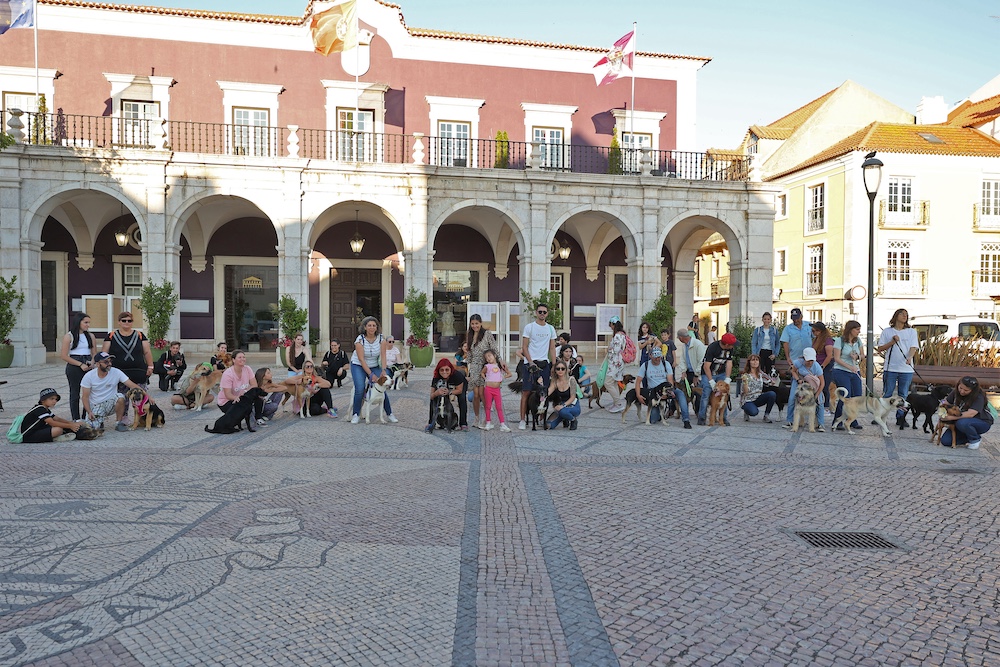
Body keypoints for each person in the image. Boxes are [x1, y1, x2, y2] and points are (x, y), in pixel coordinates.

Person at [81, 351, 148, 431]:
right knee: (91, 429)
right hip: (96, 405)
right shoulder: (89, 376)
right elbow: (85, 397)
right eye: (106, 362)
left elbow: (132, 385)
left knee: (120, 396)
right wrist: (89, 412)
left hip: (111, 403)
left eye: (110, 361)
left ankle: (118, 423)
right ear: (98, 364)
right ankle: (98, 420)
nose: (109, 364)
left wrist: (147, 396)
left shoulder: (116, 372)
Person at [349, 316, 397, 424]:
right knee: (360, 387)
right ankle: (356, 414)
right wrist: (371, 375)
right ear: (365, 327)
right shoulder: (360, 340)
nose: (371, 328)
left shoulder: (381, 339)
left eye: (374, 325)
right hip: (358, 365)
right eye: (369, 325)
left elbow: (383, 356)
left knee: (382, 386)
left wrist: (383, 370)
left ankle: (389, 413)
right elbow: (361, 359)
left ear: (377, 327)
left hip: (374, 364)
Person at [519, 303, 557, 429]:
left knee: (543, 392)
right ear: (536, 312)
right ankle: (523, 419)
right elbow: (524, 346)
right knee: (526, 391)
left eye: (544, 312)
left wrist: (554, 364)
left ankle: (541, 417)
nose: (542, 314)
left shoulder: (550, 329)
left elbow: (552, 347)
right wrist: (530, 362)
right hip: (530, 363)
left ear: (547, 314)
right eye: (540, 311)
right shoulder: (529, 327)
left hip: (544, 363)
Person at [636, 346, 692, 428]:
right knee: (653, 420)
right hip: (654, 392)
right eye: (655, 357)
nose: (658, 359)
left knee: (681, 394)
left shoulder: (666, 364)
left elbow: (670, 381)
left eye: (659, 357)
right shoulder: (645, 365)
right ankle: (659, 413)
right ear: (650, 356)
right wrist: (638, 395)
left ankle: (686, 420)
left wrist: (668, 393)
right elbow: (638, 382)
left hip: (667, 389)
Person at [466, 314, 503, 428]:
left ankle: (487, 420)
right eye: (472, 323)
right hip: (475, 367)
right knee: (475, 395)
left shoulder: (487, 334)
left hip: (486, 366)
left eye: (476, 323)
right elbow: (469, 353)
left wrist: (500, 361)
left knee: (483, 393)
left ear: (480, 323)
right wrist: (469, 371)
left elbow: (494, 348)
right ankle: (477, 418)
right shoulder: (470, 335)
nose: (474, 326)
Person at [59, 312, 96, 421]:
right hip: (74, 364)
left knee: (88, 392)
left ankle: (87, 416)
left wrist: (92, 362)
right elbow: (64, 356)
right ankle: (76, 418)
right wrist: (80, 364)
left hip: (88, 362)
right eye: (85, 322)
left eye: (89, 323)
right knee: (75, 392)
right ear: (78, 322)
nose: (87, 325)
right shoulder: (69, 336)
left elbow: (94, 353)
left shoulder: (91, 336)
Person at [939, 376, 993, 449]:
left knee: (962, 423)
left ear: (972, 390)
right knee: (946, 441)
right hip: (961, 422)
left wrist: (950, 417)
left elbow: (971, 414)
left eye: (966, 390)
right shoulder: (956, 392)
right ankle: (967, 436)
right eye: (960, 388)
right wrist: (942, 410)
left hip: (981, 421)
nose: (962, 391)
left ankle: (975, 439)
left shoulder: (979, 396)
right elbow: (946, 403)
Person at [830, 320, 865, 431]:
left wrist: (857, 356)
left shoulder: (858, 341)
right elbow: (836, 358)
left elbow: (863, 355)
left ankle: (852, 420)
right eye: (857, 329)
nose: (859, 332)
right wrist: (849, 367)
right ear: (850, 330)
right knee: (846, 394)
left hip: (855, 370)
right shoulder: (839, 341)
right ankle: (837, 420)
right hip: (841, 370)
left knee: (857, 395)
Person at [102, 312, 153, 387]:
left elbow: (147, 352)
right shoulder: (111, 336)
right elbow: (104, 353)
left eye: (129, 321)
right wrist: (105, 367)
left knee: (139, 395)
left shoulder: (140, 335)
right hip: (118, 371)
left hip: (138, 370)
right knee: (119, 397)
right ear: (119, 322)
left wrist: (150, 366)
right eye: (124, 320)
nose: (127, 322)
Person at [877, 308, 919, 399]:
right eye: (902, 314)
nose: (905, 316)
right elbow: (880, 348)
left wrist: (910, 357)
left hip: (906, 369)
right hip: (890, 368)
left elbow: (913, 346)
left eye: (906, 314)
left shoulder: (911, 331)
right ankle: (884, 413)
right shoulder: (887, 331)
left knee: (903, 395)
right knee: (887, 394)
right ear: (896, 316)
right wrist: (892, 342)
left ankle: (900, 413)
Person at [780, 308, 811, 427]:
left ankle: (814, 420)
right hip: (796, 362)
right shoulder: (788, 328)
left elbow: (819, 335)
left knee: (810, 393)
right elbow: (785, 343)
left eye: (797, 318)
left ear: (801, 316)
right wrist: (788, 358)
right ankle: (789, 419)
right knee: (794, 394)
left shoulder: (809, 325)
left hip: (809, 362)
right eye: (793, 318)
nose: (796, 321)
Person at [17, 388, 84, 443]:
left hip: (38, 429)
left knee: (61, 425)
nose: (54, 401)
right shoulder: (40, 409)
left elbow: (57, 419)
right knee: (58, 429)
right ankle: (55, 438)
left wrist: (72, 423)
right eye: (51, 399)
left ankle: (58, 435)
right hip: (29, 436)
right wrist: (70, 426)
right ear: (43, 400)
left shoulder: (45, 409)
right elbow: (52, 422)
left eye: (55, 399)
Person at [698, 331, 736, 426]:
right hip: (708, 373)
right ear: (727, 344)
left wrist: (727, 378)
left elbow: (729, 363)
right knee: (706, 394)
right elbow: (706, 366)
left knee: (725, 394)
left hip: (721, 373)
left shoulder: (730, 349)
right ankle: (702, 417)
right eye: (732, 344)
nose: (733, 346)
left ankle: (723, 418)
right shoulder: (712, 348)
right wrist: (711, 381)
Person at [786, 347, 826, 431]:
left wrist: (817, 395)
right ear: (804, 358)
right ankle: (789, 420)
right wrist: (798, 380)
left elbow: (822, 383)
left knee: (820, 402)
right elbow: (793, 371)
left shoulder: (817, 367)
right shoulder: (798, 362)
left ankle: (821, 424)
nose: (810, 362)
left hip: (812, 385)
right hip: (799, 381)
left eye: (812, 360)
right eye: (808, 360)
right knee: (792, 398)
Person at [217, 350, 258, 430]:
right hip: (226, 401)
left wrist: (245, 392)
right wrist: (237, 398)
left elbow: (254, 385)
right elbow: (227, 394)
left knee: (256, 399)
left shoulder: (248, 369)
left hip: (241, 397)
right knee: (239, 410)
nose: (242, 359)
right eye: (239, 357)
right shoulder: (228, 374)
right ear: (233, 360)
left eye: (244, 357)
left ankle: (258, 418)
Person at [425, 358, 469, 432]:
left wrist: (449, 392)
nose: (444, 372)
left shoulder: (457, 375)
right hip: (444, 388)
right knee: (434, 400)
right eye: (442, 370)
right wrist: (436, 393)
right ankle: (431, 423)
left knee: (462, 398)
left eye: (447, 370)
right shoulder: (436, 377)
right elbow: (431, 396)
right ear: (438, 371)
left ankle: (463, 423)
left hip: (458, 386)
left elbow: (459, 390)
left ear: (450, 369)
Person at [673, 329, 707, 415]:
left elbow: (702, 361)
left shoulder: (698, 344)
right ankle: (673, 409)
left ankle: (699, 413)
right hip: (688, 372)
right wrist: (683, 371)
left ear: (681, 337)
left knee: (698, 392)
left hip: (698, 373)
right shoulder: (684, 346)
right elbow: (683, 360)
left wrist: (696, 375)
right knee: (680, 389)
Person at [480, 349, 512, 431]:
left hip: (497, 389)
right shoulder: (487, 366)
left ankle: (502, 424)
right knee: (488, 406)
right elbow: (482, 373)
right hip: (488, 389)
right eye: (486, 358)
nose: (488, 359)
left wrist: (502, 377)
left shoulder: (500, 366)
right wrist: (486, 379)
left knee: (499, 406)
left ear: (494, 356)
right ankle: (488, 422)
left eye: (489, 356)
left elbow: (509, 374)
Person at [739, 355, 777, 423]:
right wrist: (745, 382)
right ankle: (746, 410)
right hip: (747, 400)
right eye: (753, 360)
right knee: (754, 412)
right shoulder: (746, 375)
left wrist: (772, 380)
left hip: (757, 398)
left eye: (757, 360)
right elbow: (746, 392)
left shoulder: (760, 373)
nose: (755, 362)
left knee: (772, 394)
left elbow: (770, 380)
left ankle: (766, 416)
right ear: (749, 362)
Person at [546, 361, 582, 430]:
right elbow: (548, 392)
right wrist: (541, 385)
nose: (560, 370)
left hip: (572, 405)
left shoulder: (571, 379)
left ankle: (573, 420)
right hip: (561, 405)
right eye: (558, 369)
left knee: (562, 411)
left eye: (562, 369)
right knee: (549, 425)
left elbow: (573, 397)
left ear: (566, 370)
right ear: (555, 370)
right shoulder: (554, 381)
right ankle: (565, 418)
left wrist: (563, 406)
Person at [604, 316, 628, 413]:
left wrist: (609, 349)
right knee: (614, 383)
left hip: (615, 363)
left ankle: (618, 403)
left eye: (610, 325)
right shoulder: (623, 334)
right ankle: (616, 403)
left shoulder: (618, 336)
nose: (610, 327)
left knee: (608, 382)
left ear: (613, 324)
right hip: (619, 362)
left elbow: (617, 349)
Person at [811, 322, 835, 409]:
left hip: (825, 366)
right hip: (817, 365)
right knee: (817, 385)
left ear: (820, 331)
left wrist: (822, 366)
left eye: (814, 331)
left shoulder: (828, 340)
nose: (813, 333)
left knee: (824, 386)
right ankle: (819, 405)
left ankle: (826, 407)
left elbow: (829, 356)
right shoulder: (817, 339)